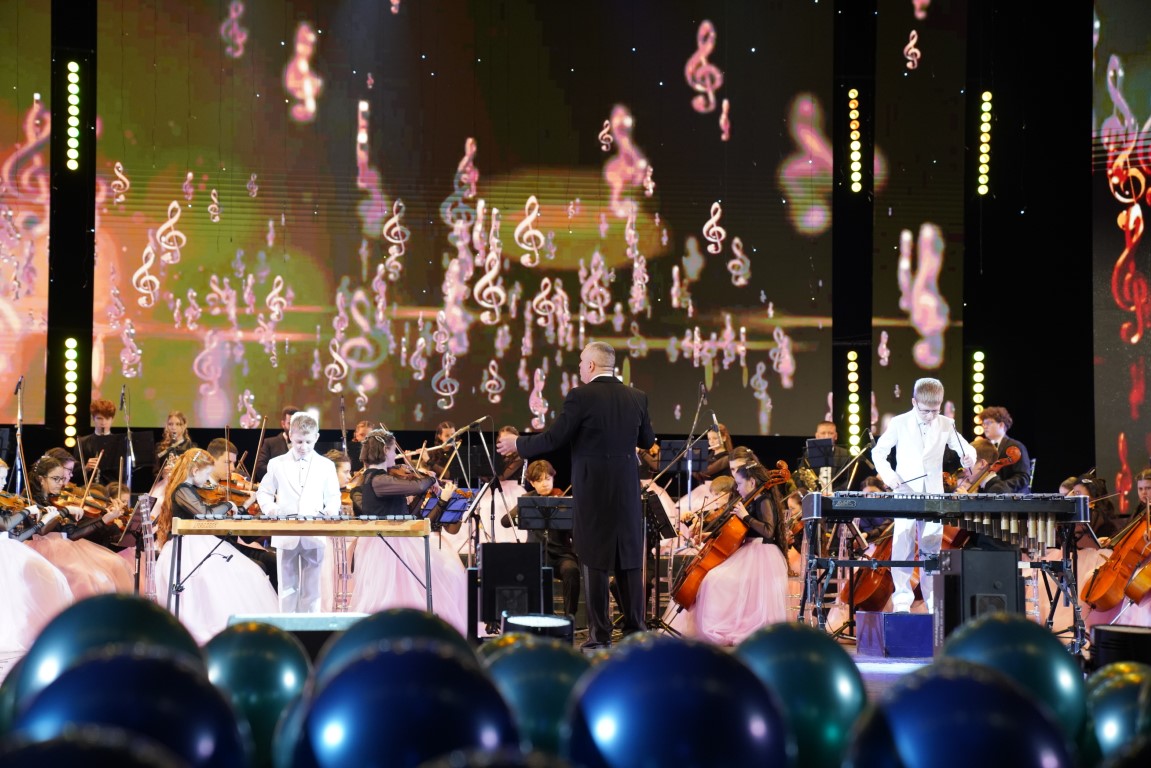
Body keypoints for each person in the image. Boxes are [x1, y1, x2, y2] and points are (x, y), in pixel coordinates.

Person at [497, 341, 657, 649]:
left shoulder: (580, 396)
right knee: (628, 560)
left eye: (582, 362)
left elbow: (554, 438)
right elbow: (647, 439)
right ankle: (635, 631)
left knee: (595, 562)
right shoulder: (637, 397)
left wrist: (518, 444)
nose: (580, 367)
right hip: (626, 491)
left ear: (592, 365)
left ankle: (600, 637)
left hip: (593, 492)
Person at [348, 428, 469, 633]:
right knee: (391, 594)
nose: (395, 455)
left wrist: (424, 493)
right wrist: (430, 479)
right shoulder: (377, 479)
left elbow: (408, 514)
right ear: (385, 450)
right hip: (385, 545)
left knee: (445, 577)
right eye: (393, 450)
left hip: (397, 539)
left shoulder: (384, 478)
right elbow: (418, 486)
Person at [872, 377, 976, 613]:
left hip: (933, 493)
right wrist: (890, 477)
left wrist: (968, 457)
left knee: (932, 547)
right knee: (903, 543)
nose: (930, 416)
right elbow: (879, 453)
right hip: (905, 491)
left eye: (935, 410)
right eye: (925, 411)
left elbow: (965, 447)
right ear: (914, 402)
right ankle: (901, 600)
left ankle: (932, 600)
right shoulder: (899, 422)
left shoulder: (946, 423)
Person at [153, 449, 279, 643]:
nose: (207, 480)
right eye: (206, 474)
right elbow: (205, 514)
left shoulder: (190, 490)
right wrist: (228, 504)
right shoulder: (182, 490)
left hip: (200, 543)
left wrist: (243, 506)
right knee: (244, 575)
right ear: (195, 471)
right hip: (189, 548)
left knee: (250, 572)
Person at [672, 461, 791, 645]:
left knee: (714, 580)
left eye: (740, 483)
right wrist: (708, 535)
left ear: (752, 482)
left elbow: (768, 531)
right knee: (711, 578)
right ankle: (729, 625)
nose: (737, 488)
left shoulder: (764, 500)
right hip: (748, 549)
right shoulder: (751, 500)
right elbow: (736, 533)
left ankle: (729, 627)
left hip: (761, 553)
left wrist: (745, 516)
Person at [256, 411, 342, 613]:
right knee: (287, 587)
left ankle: (310, 628)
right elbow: (264, 492)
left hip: (314, 531)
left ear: (317, 437)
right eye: (299, 442)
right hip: (286, 532)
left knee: (313, 589)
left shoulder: (326, 465)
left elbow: (333, 496)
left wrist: (330, 510)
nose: (304, 447)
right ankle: (287, 627)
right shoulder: (277, 463)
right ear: (290, 436)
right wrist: (272, 509)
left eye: (308, 442)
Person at [22, 456, 134, 599]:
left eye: (62, 479)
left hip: (63, 547)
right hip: (41, 550)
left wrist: (105, 518)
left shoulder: (55, 499)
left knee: (114, 566)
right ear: (41, 479)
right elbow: (42, 530)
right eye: (55, 479)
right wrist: (65, 511)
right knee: (88, 578)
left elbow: (73, 534)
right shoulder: (29, 500)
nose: (61, 483)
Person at [502, 460, 581, 619]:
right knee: (519, 571)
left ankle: (570, 616)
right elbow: (505, 521)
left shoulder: (564, 499)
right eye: (539, 480)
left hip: (561, 555)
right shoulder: (528, 499)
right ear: (532, 483)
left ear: (553, 478)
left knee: (571, 570)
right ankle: (530, 615)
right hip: (535, 554)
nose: (544, 484)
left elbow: (575, 533)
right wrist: (522, 512)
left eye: (547, 479)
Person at [977, 406, 1032, 493]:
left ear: (1001, 425)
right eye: (983, 423)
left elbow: (1023, 477)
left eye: (988, 423)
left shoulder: (1016, 446)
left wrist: (1000, 488)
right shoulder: (984, 448)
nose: (985, 426)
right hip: (988, 496)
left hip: (1011, 497)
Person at [75, 398, 126, 485]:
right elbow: (74, 473)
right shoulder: (82, 442)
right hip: (90, 488)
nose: (103, 422)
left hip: (113, 488)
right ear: (93, 418)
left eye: (107, 418)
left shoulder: (119, 442)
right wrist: (86, 468)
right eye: (99, 418)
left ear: (112, 419)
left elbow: (124, 473)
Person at [799, 421, 855, 492]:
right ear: (817, 436)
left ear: (836, 436)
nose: (826, 436)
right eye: (823, 433)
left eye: (830, 433)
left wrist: (834, 493)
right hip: (814, 494)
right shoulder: (808, 454)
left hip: (836, 495)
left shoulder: (845, 454)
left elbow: (849, 479)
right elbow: (801, 475)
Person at [253, 405, 300, 482]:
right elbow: (260, 468)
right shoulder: (270, 443)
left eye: (296, 424)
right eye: (290, 423)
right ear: (283, 424)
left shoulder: (306, 444)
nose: (293, 428)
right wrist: (282, 471)